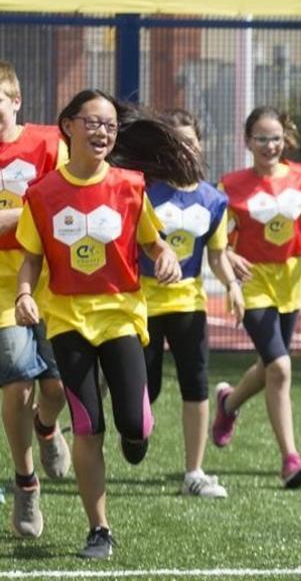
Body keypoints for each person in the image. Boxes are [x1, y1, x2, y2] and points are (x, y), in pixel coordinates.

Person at [14, 90, 193, 559]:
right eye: (93, 122)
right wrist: (25, 293)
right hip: (68, 320)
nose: (102, 132)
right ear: (68, 125)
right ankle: (100, 529)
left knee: (131, 422)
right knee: (88, 425)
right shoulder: (43, 194)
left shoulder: (131, 187)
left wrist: (167, 255)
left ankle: (137, 432)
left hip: (120, 317)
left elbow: (154, 244)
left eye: (110, 126)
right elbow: (31, 259)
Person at [210, 106, 301, 489]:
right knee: (280, 366)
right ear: (247, 142)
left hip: (291, 282)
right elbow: (215, 239)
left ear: (285, 139)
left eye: (275, 137)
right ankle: (290, 459)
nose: (269, 145)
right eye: (261, 138)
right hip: (251, 283)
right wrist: (228, 255)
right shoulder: (231, 186)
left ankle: (228, 404)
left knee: (269, 363)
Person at [138, 109, 245, 498]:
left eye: (190, 141)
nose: (184, 149)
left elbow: (217, 256)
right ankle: (134, 428)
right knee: (145, 392)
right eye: (176, 142)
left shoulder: (214, 200)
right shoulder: (143, 192)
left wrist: (232, 285)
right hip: (143, 306)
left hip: (189, 305)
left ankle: (194, 473)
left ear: (200, 146)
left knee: (195, 386)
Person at [0, 60, 72, 539]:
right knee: (14, 375)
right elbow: (38, 211)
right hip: (2, 288)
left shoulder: (49, 143)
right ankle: (26, 483)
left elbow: (66, 203)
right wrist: (28, 214)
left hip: (52, 280)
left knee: (59, 386)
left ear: (15, 100)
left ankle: (48, 426)